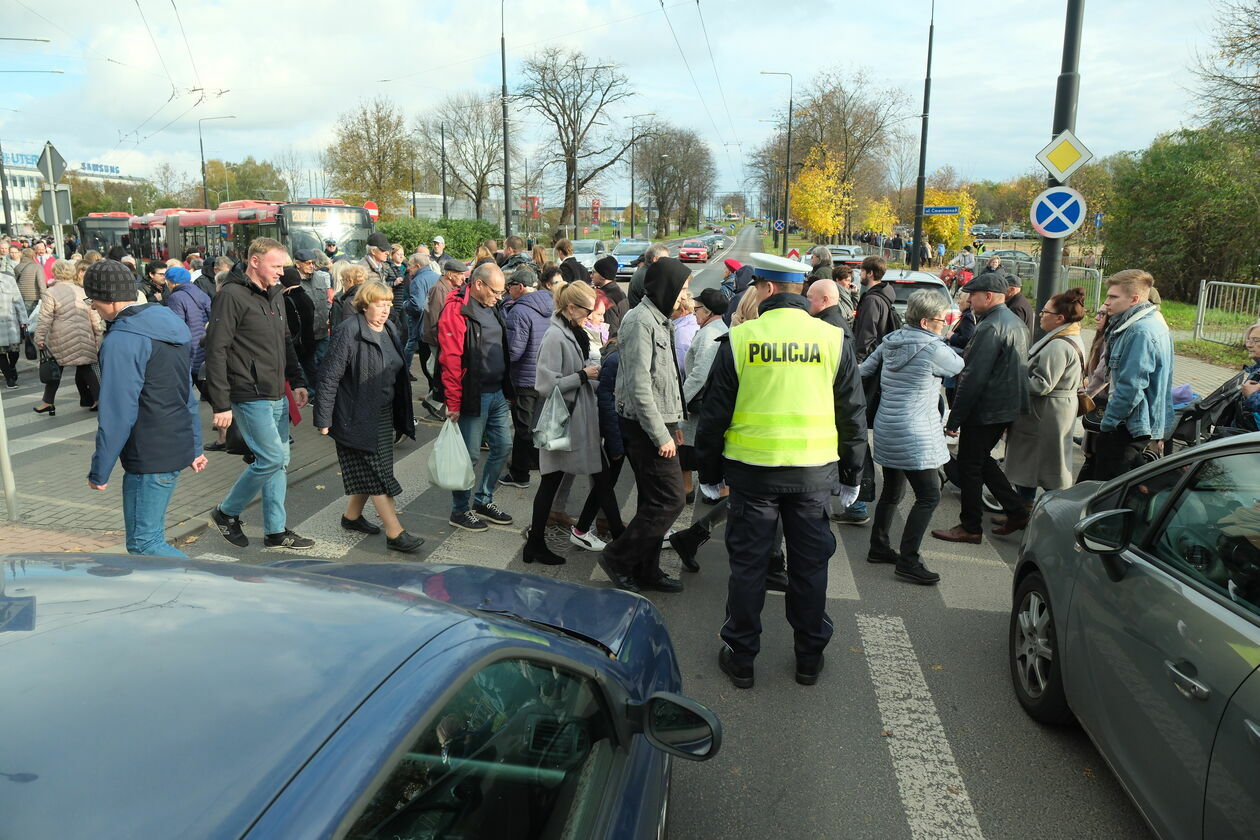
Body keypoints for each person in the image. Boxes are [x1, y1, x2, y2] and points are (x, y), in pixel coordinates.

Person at [696, 252, 866, 689]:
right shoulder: (832, 339)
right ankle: (808, 658)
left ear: (768, 289)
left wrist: (709, 473)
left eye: (755, 286)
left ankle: (741, 657)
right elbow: (851, 412)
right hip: (813, 476)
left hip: (753, 475)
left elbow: (715, 416)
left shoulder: (740, 340)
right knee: (810, 569)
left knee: (749, 567)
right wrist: (853, 474)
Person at [84, 259, 206, 556]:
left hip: (148, 454)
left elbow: (117, 412)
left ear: (108, 300)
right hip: (174, 445)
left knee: (144, 544)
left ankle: (204, 585)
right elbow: (186, 393)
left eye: (92, 300)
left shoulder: (123, 339)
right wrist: (195, 446)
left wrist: (100, 470)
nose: (92, 307)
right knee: (148, 541)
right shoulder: (171, 323)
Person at [205, 237, 313, 550]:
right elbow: (216, 350)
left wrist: (296, 380)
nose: (282, 272)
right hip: (248, 394)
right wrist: (220, 403)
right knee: (270, 458)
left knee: (279, 461)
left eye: (284, 266)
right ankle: (226, 512)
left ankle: (276, 532)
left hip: (277, 392)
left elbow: (285, 342)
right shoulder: (232, 296)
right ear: (255, 261)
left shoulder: (275, 294)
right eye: (276, 266)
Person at [596, 257, 691, 594]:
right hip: (644, 427)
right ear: (666, 288)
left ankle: (646, 570)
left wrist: (673, 422)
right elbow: (639, 386)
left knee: (653, 501)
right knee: (670, 501)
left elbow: (664, 379)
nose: (685, 297)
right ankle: (618, 558)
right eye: (682, 289)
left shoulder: (659, 319)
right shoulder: (640, 321)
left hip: (659, 423)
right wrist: (660, 433)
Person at [860, 290, 964, 584]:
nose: (944, 324)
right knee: (929, 495)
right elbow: (958, 366)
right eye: (940, 320)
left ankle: (878, 546)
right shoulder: (933, 349)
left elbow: (864, 370)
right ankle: (908, 560)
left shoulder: (890, 341)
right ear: (924, 321)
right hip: (916, 431)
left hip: (887, 426)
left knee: (892, 491)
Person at [315, 281, 422, 553]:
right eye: (379, 304)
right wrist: (324, 419)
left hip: (383, 412)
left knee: (372, 468)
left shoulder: (389, 328)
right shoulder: (348, 331)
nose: (385, 309)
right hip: (354, 414)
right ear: (365, 304)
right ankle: (395, 533)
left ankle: (351, 518)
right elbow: (329, 376)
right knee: (378, 474)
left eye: (388, 304)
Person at [522, 281, 620, 565]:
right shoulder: (555, 335)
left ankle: (537, 544)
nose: (590, 316)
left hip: (576, 416)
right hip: (565, 418)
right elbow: (543, 384)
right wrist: (582, 375)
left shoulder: (572, 330)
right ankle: (536, 544)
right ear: (570, 307)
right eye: (586, 310)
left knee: (594, 477)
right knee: (556, 480)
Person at [932, 271, 1031, 544]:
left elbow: (972, 377)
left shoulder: (989, 327)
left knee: (970, 465)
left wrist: (955, 420)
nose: (968, 300)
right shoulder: (1012, 321)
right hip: (1003, 406)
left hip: (987, 408)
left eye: (972, 295)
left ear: (988, 296)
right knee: (979, 460)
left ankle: (971, 527)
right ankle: (1015, 510)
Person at [999, 287, 1087, 530]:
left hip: (1047, 414)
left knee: (1048, 468)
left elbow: (1041, 385)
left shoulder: (1058, 345)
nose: (1039, 315)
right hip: (1048, 412)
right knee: (1033, 465)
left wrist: (1013, 376)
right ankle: (1022, 512)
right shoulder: (1063, 337)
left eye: (1045, 311)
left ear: (1060, 318)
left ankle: (1057, 519)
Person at [438, 262, 515, 532]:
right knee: (468, 457)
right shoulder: (456, 310)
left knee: (503, 447)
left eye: (502, 292)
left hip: (496, 393)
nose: (499, 297)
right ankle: (459, 510)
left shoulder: (492, 305)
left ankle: (483, 499)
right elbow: (450, 360)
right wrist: (454, 402)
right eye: (495, 291)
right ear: (478, 284)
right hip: (473, 395)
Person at [1093, 269, 1174, 480]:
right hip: (1137, 425)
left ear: (1134, 299)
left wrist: (1108, 424)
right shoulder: (1151, 322)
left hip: (1128, 427)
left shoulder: (1140, 331)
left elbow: (1130, 388)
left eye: (1113, 296)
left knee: (1108, 492)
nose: (1107, 302)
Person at [842, 254, 899, 526]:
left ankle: (858, 502)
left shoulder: (873, 300)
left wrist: (856, 369)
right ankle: (857, 501)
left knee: (856, 434)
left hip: (868, 377)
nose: (857, 275)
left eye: (860, 271)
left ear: (868, 272)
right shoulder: (883, 296)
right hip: (877, 375)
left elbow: (865, 339)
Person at [499, 266, 552, 489]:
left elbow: (514, 351)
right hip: (545, 374)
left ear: (520, 287)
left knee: (523, 429)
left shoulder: (519, 311)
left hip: (524, 378)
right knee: (539, 424)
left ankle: (520, 474)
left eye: (510, 286)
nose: (507, 290)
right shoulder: (549, 305)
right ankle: (541, 464)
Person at [32, 259, 102, 415]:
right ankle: (98, 399)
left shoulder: (51, 292)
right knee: (86, 368)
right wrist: (97, 334)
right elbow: (94, 313)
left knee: (55, 369)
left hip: (61, 337)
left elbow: (45, 317)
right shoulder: (84, 292)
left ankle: (48, 402)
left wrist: (40, 338)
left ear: (56, 272)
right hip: (84, 335)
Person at [423, 258, 468, 411]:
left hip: (441, 339)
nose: (463, 278)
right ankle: (434, 403)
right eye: (460, 274)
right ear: (449, 274)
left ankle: (435, 402)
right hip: (438, 340)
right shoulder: (439, 290)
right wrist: (443, 342)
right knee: (439, 372)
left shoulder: (447, 288)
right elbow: (437, 319)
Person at [404, 248, 440, 393]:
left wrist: (406, 304)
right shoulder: (437, 276)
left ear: (418, 266)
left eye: (410, 266)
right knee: (434, 364)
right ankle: (434, 394)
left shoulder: (418, 280)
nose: (408, 268)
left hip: (422, 328)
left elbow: (417, 306)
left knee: (427, 365)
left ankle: (434, 395)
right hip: (435, 327)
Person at [280, 266, 317, 392]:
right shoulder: (306, 297)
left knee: (300, 372)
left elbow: (289, 326)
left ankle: (308, 393)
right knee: (311, 370)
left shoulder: (285, 300)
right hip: (309, 341)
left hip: (296, 345)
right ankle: (316, 394)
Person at [293, 249, 330, 373]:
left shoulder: (320, 278)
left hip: (323, 331)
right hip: (305, 335)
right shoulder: (293, 280)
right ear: (298, 264)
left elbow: (326, 301)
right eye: (308, 263)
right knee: (309, 368)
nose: (311, 266)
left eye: (313, 263)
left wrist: (328, 315)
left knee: (324, 365)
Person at [0, 267, 29, 388]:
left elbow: (18, 300)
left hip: (10, 321)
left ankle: (12, 367)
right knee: (1, 353)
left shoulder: (8, 279)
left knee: (15, 352)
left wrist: (24, 319)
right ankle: (9, 379)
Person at [591, 254, 628, 338]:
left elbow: (610, 330)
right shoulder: (619, 292)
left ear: (603, 275)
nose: (591, 275)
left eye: (594, 272)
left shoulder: (605, 298)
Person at [628, 243, 669, 308]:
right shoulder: (648, 277)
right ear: (655, 259)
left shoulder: (647, 272)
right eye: (666, 259)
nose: (668, 262)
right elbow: (657, 303)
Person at [15, 248, 43, 314]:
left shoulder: (18, 266)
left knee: (22, 316)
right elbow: (41, 283)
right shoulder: (37, 266)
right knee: (31, 318)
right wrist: (44, 297)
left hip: (20, 296)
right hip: (34, 296)